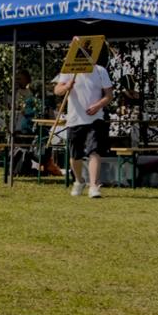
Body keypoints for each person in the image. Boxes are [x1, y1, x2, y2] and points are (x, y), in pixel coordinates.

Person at [52, 44, 115, 199]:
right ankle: (79, 180)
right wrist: (66, 86)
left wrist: (98, 105)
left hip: (95, 117)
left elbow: (109, 95)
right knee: (75, 155)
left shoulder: (100, 71)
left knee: (94, 151)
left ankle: (94, 186)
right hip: (75, 118)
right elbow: (57, 90)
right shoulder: (70, 70)